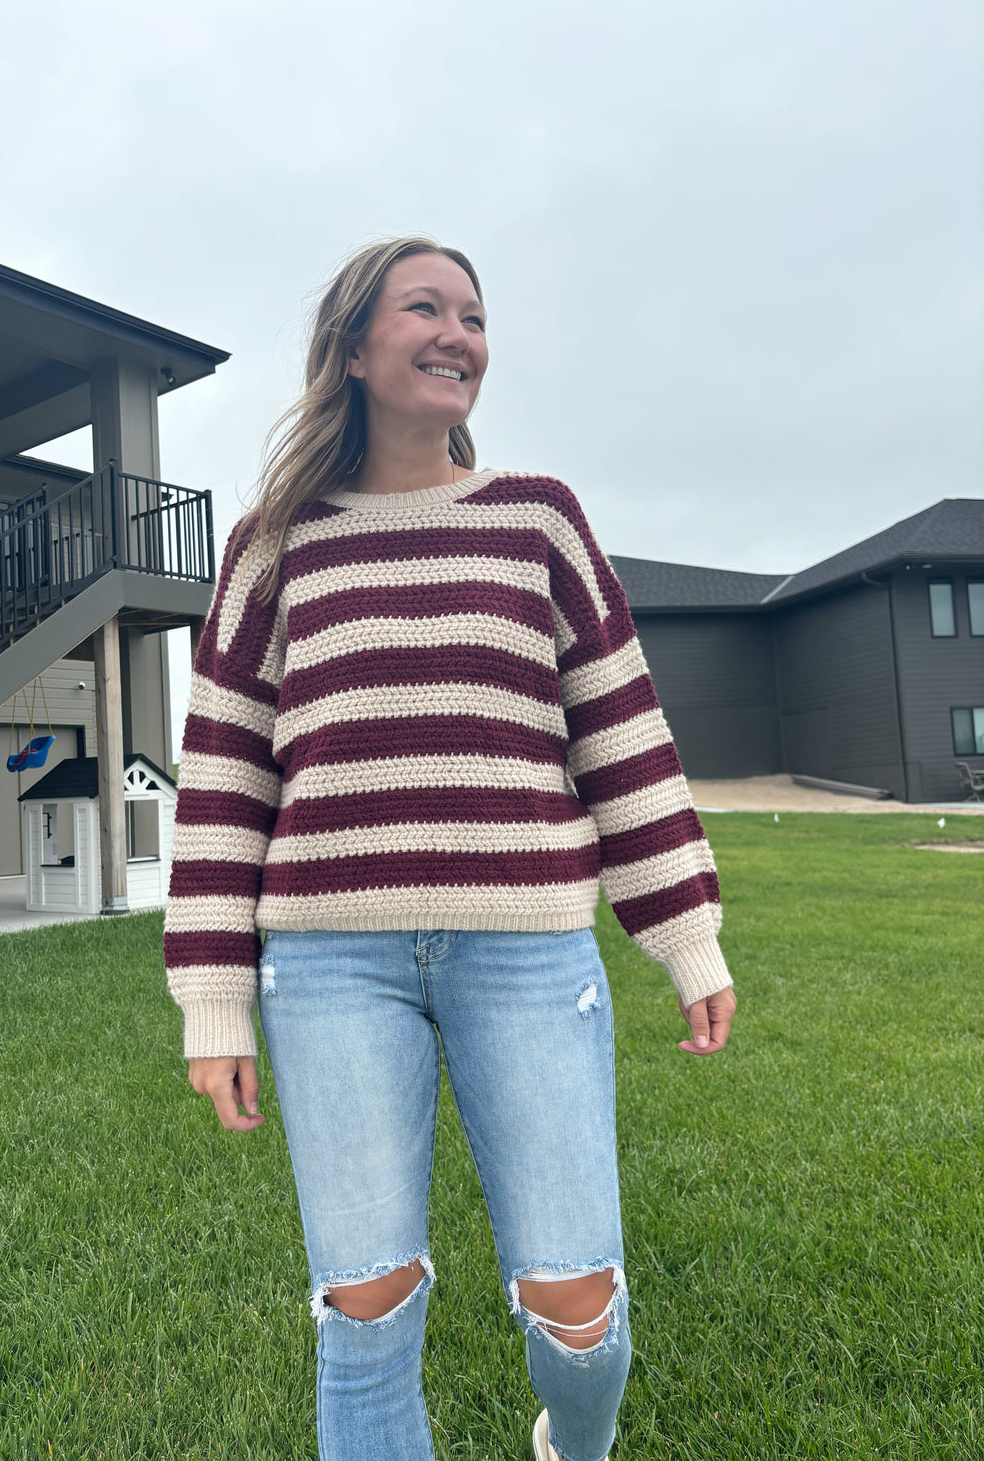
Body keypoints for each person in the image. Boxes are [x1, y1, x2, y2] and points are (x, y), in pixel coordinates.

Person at [163, 236, 736, 1461]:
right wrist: (211, 1001)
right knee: (364, 1312)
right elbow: (220, 782)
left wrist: (684, 937)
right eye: (423, 308)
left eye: (472, 315)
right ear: (355, 350)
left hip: (525, 955)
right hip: (329, 968)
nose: (456, 334)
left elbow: (622, 738)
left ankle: (570, 1444)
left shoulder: (537, 522)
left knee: (576, 1313)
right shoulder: (271, 547)